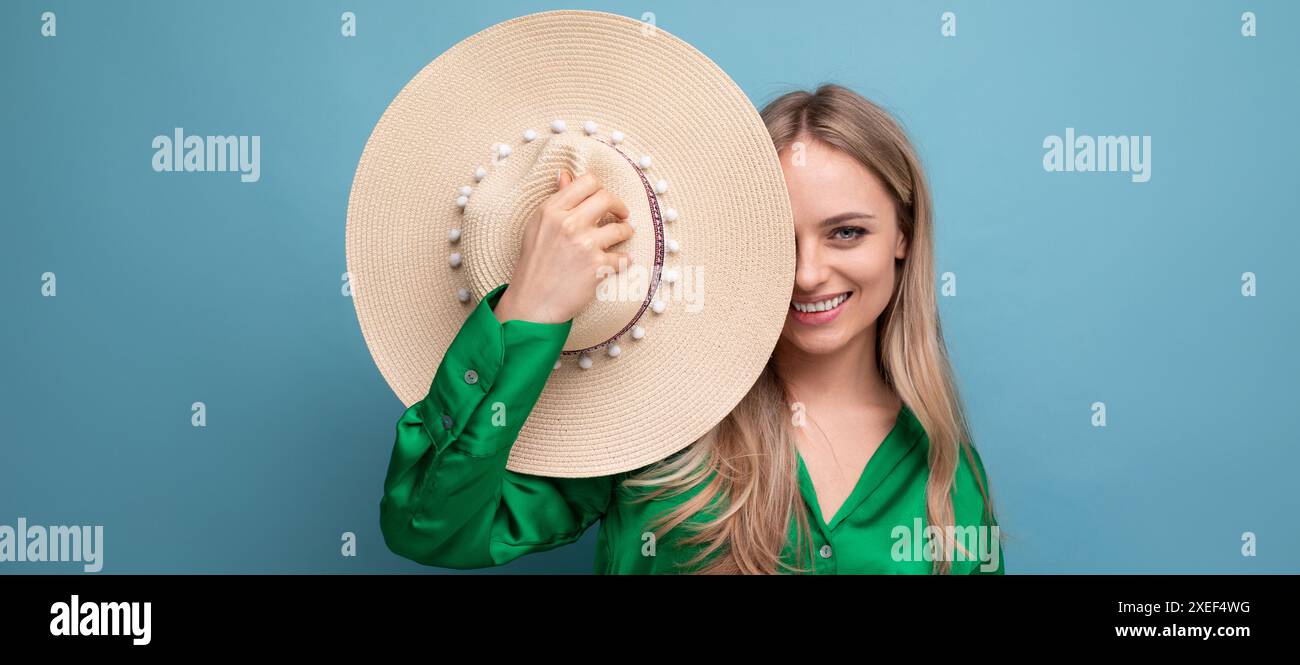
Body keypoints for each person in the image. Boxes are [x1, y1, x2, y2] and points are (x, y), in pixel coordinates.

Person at [379, 83, 1004, 574]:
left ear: (903, 235)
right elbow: (431, 527)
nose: (810, 273)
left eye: (847, 232)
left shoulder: (949, 472)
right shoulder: (646, 423)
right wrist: (532, 309)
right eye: (778, 241)